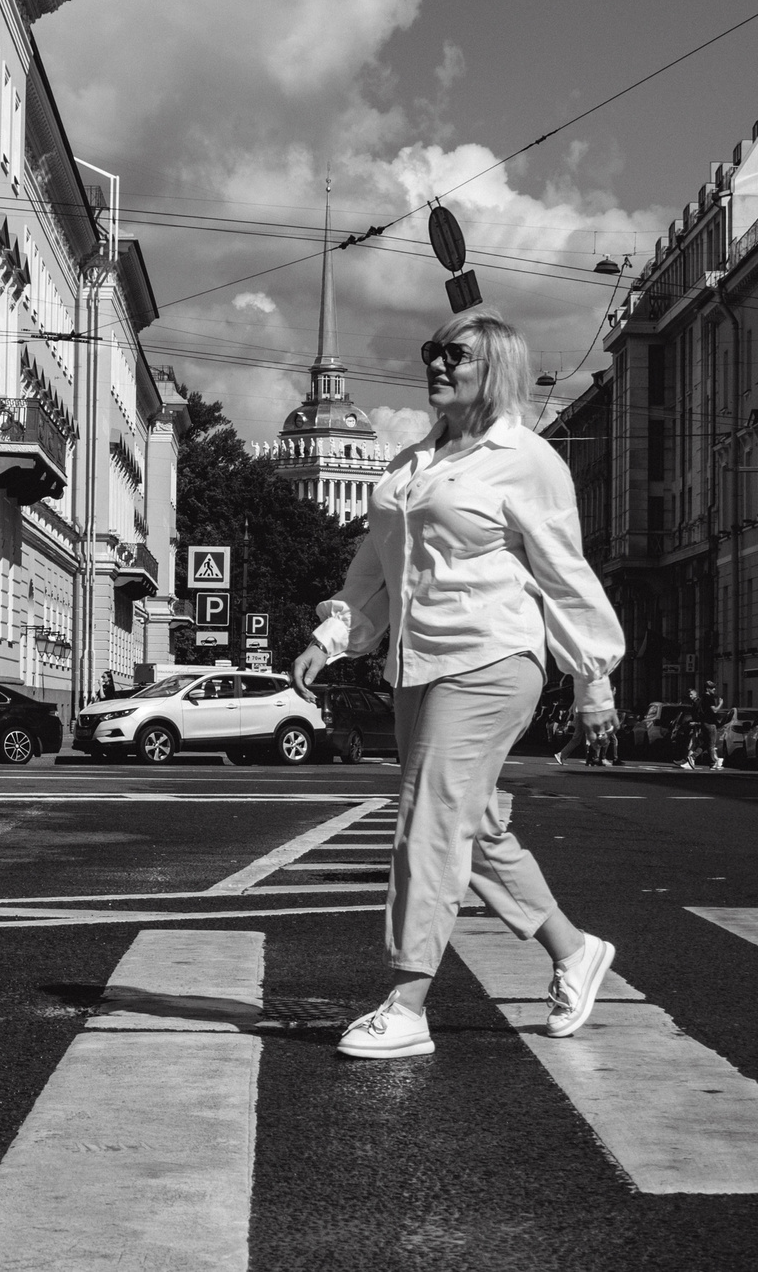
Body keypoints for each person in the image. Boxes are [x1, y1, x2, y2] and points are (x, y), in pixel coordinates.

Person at [292, 307, 625, 1061]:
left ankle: (407, 1001)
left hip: (493, 656)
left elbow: (563, 573)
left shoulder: (527, 459)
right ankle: (575, 951)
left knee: (430, 818)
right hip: (417, 663)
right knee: (472, 827)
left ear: (495, 370)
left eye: (457, 355)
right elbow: (374, 577)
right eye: (433, 351)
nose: (438, 364)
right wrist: (330, 636)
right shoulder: (410, 466)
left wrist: (591, 677)